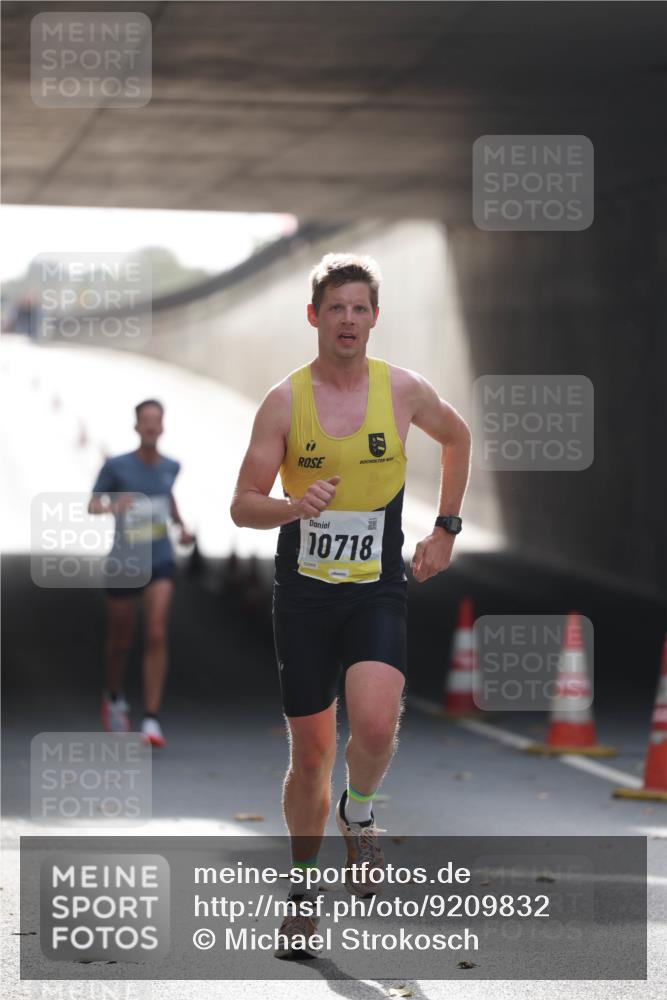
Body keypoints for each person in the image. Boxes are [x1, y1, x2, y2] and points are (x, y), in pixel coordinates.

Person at [230, 253, 471, 958]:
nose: (347, 319)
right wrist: (290, 507)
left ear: (374, 318)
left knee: (373, 724)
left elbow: (457, 438)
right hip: (304, 595)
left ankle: (358, 813)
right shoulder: (284, 402)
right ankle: (303, 898)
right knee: (311, 754)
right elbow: (242, 504)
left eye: (359, 308)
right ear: (314, 316)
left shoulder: (403, 391)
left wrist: (445, 530)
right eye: (335, 307)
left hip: (375, 587)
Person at [88, 399, 194, 747]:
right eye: (145, 420)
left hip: (160, 559)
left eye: (156, 420)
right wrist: (112, 505)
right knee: (121, 639)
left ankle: (151, 718)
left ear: (162, 426)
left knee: (156, 631)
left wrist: (180, 526)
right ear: (136, 426)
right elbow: (92, 504)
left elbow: (167, 496)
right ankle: (114, 695)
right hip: (124, 561)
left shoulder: (171, 466)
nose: (150, 426)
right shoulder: (116, 466)